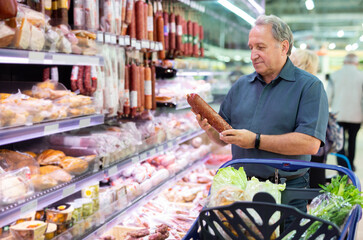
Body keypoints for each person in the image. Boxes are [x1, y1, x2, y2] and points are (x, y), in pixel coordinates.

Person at [194, 15, 329, 214]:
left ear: (284, 47)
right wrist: (210, 131)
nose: (253, 55)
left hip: (286, 193)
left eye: (261, 47)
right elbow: (224, 140)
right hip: (240, 191)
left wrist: (256, 141)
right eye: (251, 48)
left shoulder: (309, 86)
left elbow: (309, 143)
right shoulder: (241, 86)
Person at [290, 49, 327, 188]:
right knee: (316, 173)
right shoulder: (315, 85)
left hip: (294, 151)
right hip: (313, 144)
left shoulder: (295, 85)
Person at [329, 53, 363, 171]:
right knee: (352, 140)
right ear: (356, 63)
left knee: (340, 142)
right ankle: (351, 165)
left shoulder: (335, 75)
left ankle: (342, 167)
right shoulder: (361, 76)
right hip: (356, 115)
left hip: (338, 115)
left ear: (344, 62)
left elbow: (328, 96)